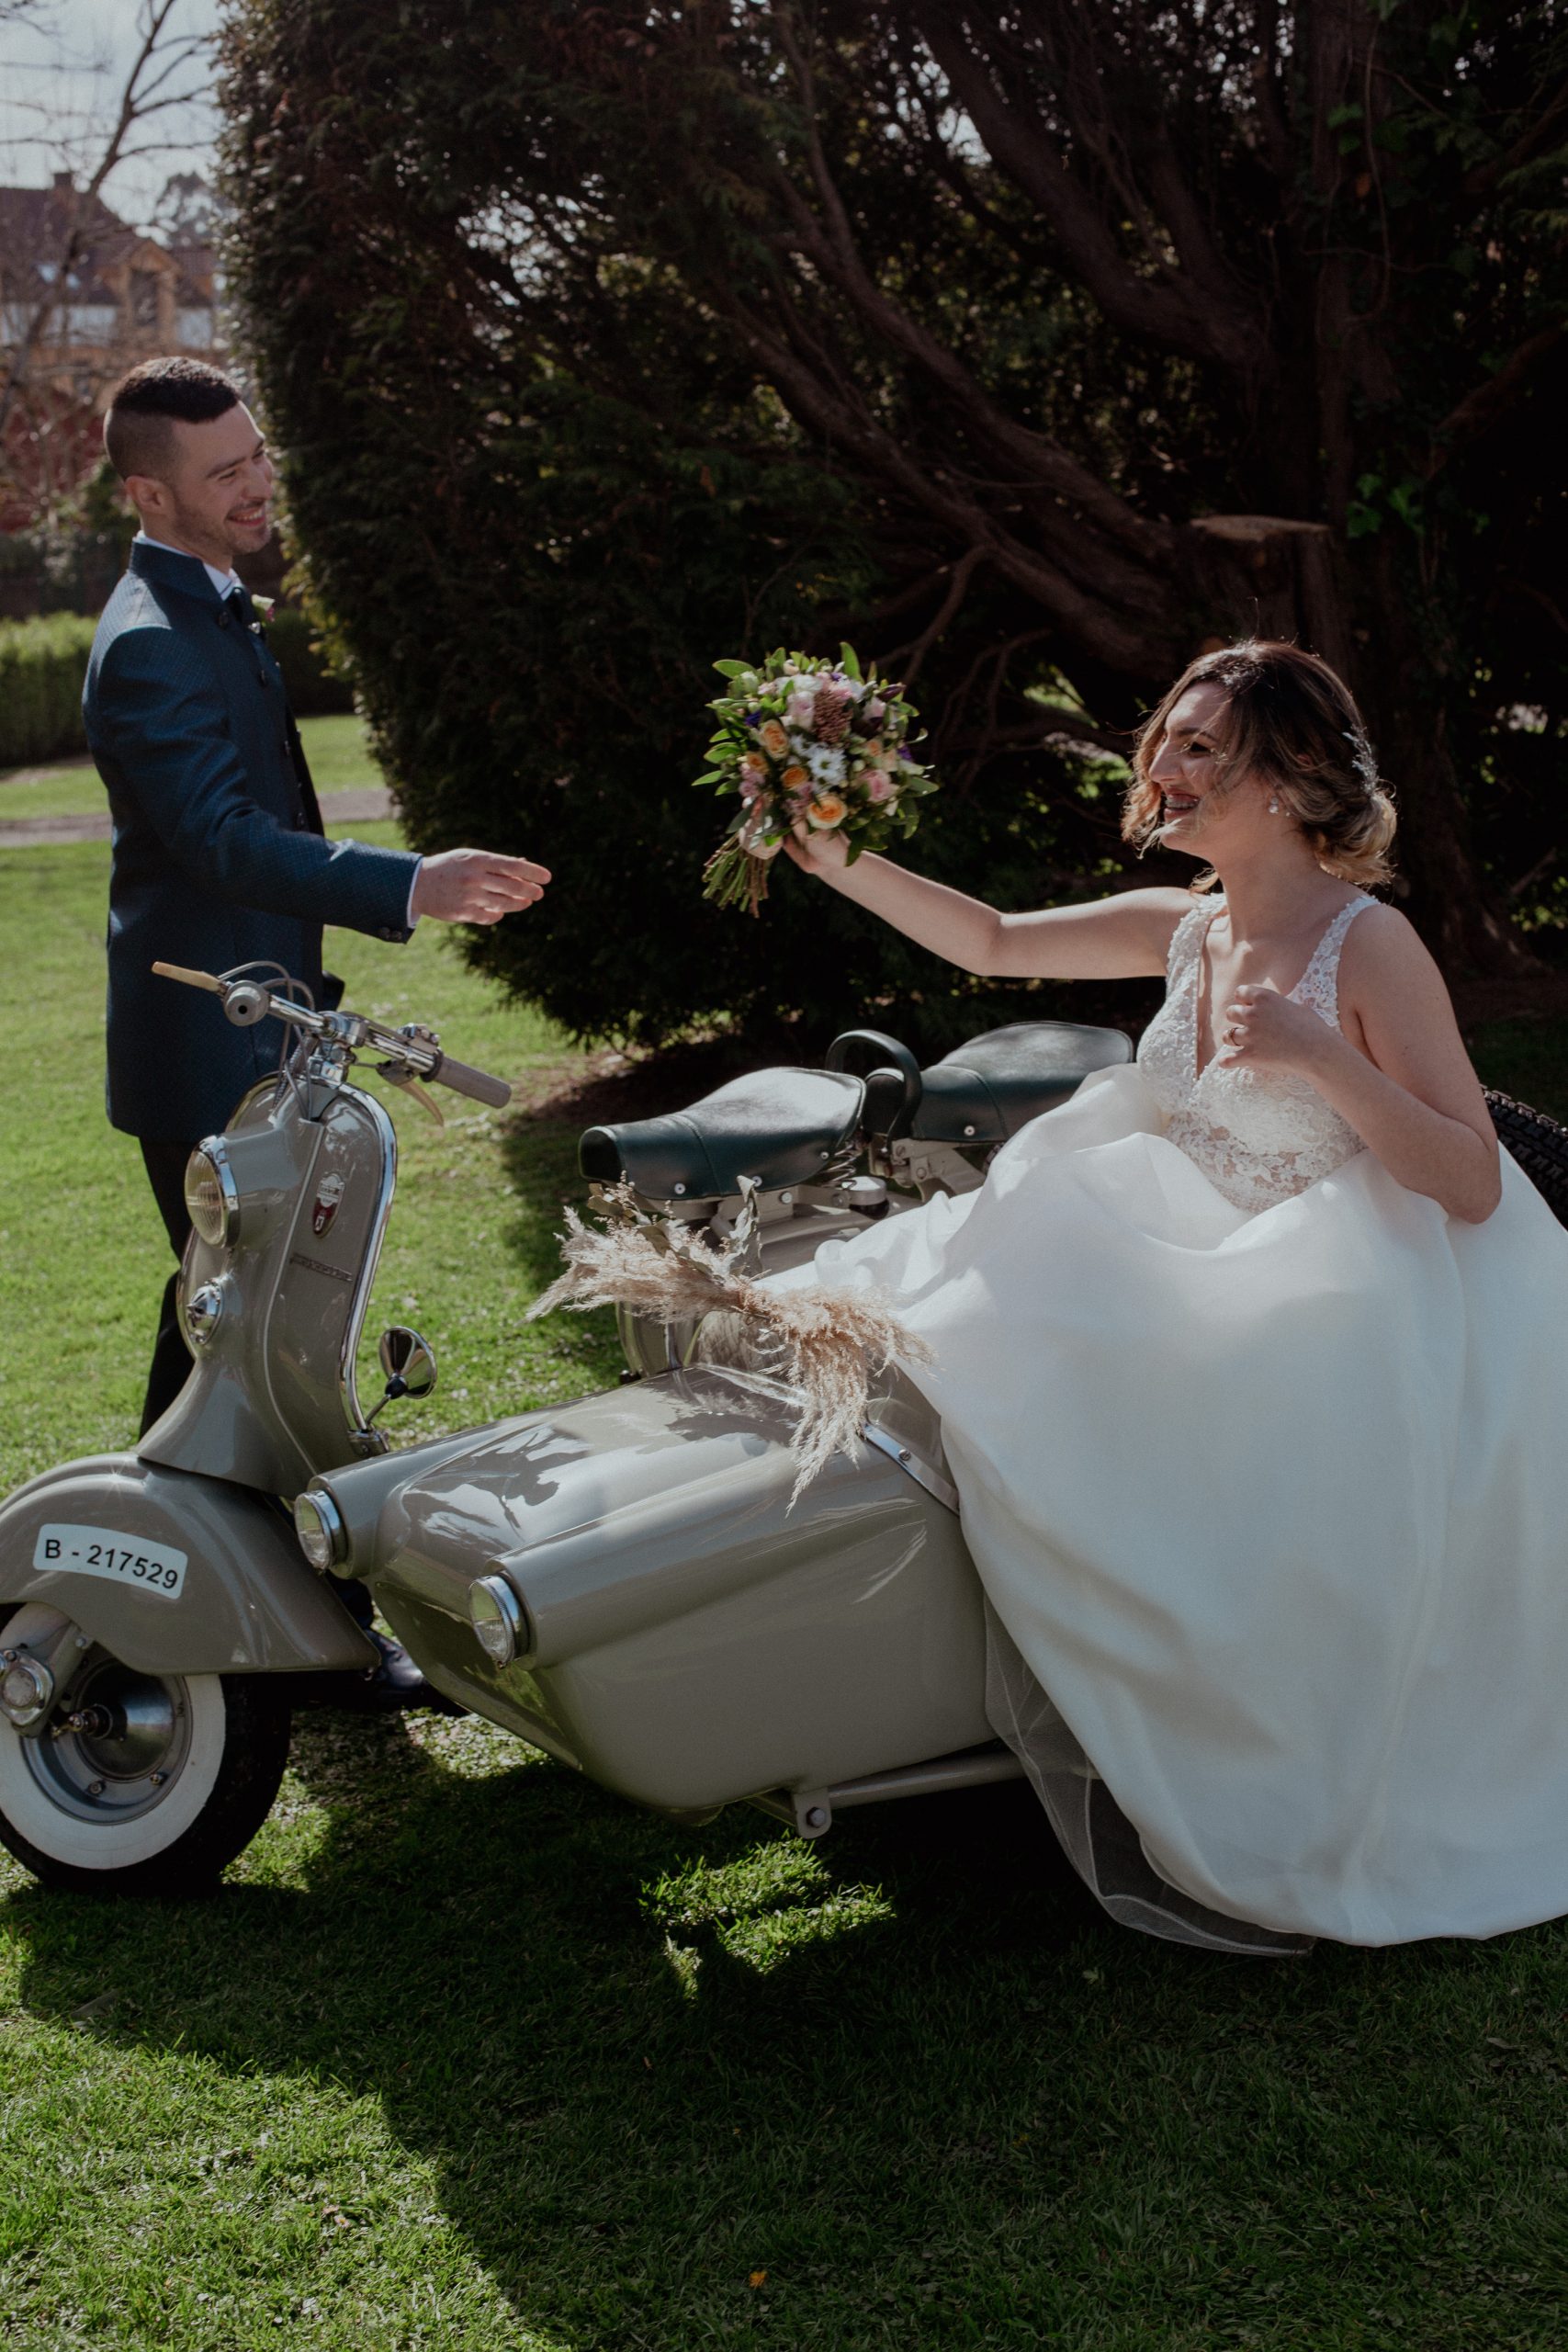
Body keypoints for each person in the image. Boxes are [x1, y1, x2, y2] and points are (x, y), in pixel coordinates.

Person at [779, 638, 1568, 1951]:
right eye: (1166, 740)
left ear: (1292, 775)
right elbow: (989, 940)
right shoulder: (1188, 926)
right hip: (1197, 1254)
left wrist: (1326, 1060)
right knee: (1033, 1267)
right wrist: (830, 850)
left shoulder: (1370, 945)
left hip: (1347, 1290)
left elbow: (1473, 1179)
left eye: (1202, 747)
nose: (1163, 766)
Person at [85, 356, 549, 1705]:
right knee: (254, 1349)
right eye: (224, 472)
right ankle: (261, 1634)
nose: (258, 486)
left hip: (257, 1032)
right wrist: (410, 883)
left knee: (225, 1339)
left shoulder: (206, 604)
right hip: (206, 1046)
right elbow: (223, 841)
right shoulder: (150, 639)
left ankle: (164, 1613)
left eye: (258, 456)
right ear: (147, 493)